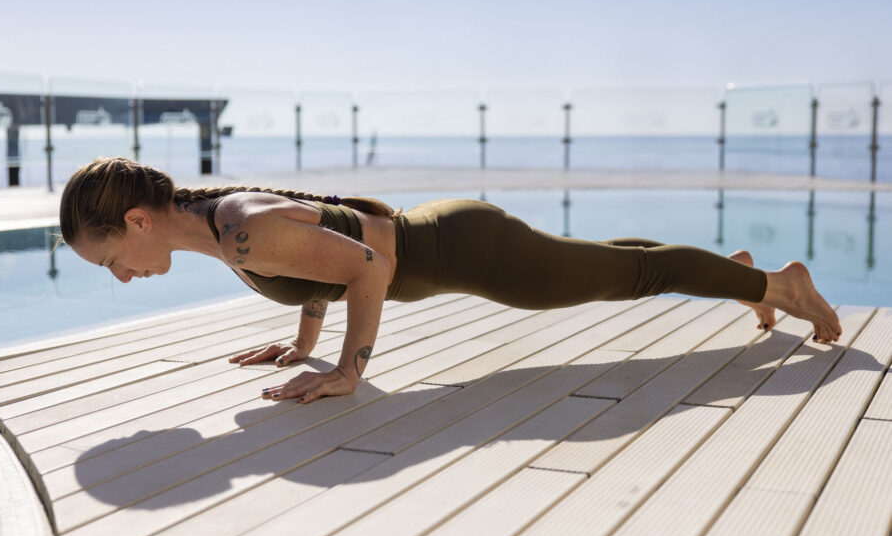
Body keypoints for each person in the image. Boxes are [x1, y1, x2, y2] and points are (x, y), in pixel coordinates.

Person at [59, 157, 842, 404]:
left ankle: (780, 285)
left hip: (467, 252)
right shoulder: (221, 229)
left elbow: (368, 268)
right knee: (606, 262)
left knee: (623, 276)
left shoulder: (237, 229)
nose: (122, 278)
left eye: (111, 261)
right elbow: (319, 268)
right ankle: (732, 278)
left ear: (134, 221)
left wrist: (347, 372)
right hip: (452, 234)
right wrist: (302, 344)